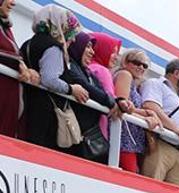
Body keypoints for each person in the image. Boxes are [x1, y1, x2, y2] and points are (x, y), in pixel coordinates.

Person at [20, 5, 86, 151]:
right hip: (46, 114)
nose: (73, 39)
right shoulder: (53, 47)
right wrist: (71, 89)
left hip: (29, 105)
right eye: (68, 31)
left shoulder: (28, 44)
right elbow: (49, 79)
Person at [62, 31, 116, 163]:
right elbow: (85, 86)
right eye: (87, 46)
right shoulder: (70, 65)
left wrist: (117, 101)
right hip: (72, 138)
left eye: (92, 47)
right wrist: (111, 102)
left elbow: (101, 91)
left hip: (87, 138)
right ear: (77, 46)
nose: (92, 52)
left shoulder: (89, 73)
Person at [140, 58, 179, 185]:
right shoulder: (156, 84)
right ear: (176, 73)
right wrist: (175, 129)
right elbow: (151, 106)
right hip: (161, 144)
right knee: (151, 188)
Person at [112, 49, 160, 173]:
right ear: (125, 62)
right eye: (136, 63)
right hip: (125, 139)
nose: (141, 67)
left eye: (144, 65)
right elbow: (123, 105)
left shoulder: (133, 82)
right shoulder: (125, 75)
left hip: (131, 141)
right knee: (130, 177)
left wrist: (147, 113)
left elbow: (132, 108)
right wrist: (146, 117)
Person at [0, 0, 39, 138]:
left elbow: (14, 55)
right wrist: (18, 64)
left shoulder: (5, 28)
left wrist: (27, 68)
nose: (13, 3)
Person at [87, 32, 120, 138]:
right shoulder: (102, 70)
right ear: (102, 49)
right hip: (97, 131)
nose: (116, 57)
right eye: (112, 52)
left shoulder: (86, 66)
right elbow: (111, 99)